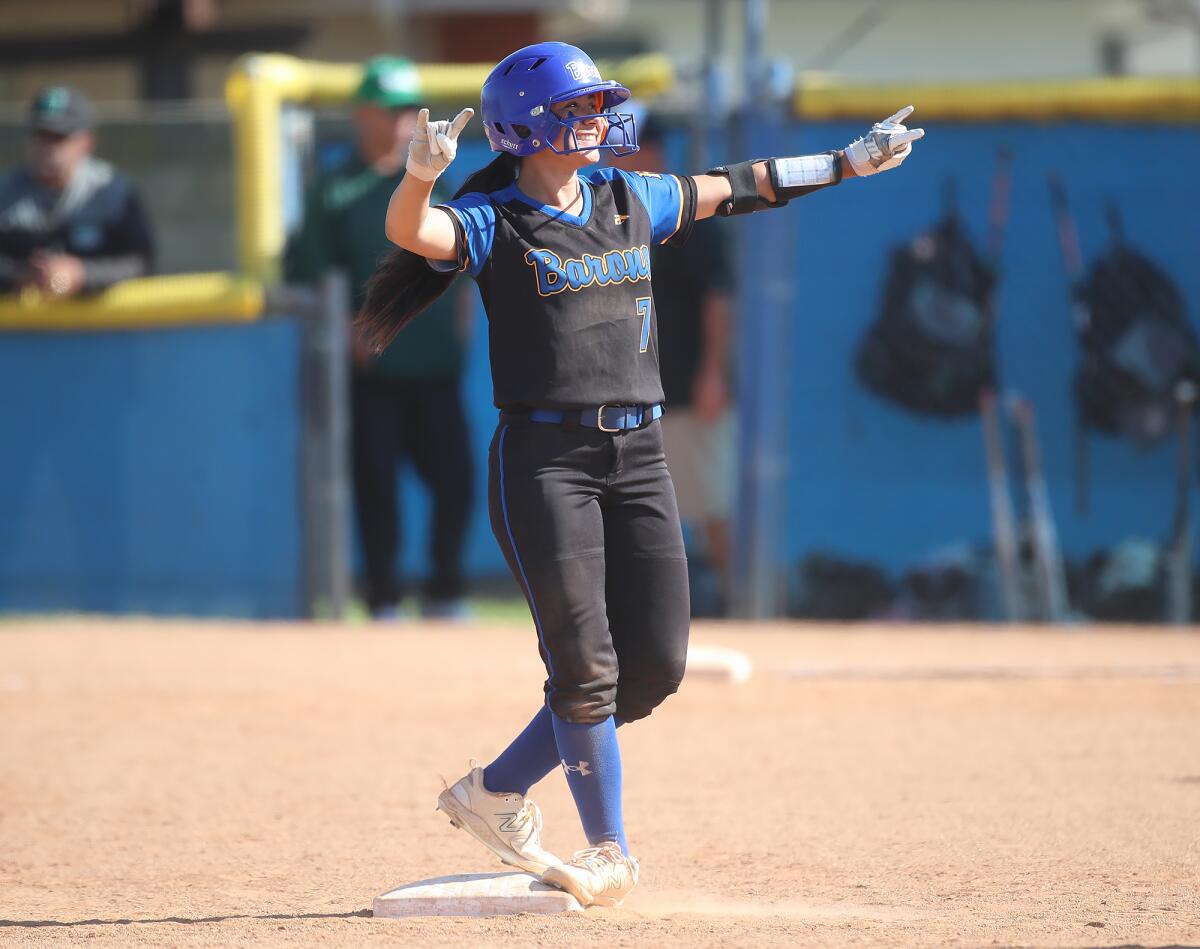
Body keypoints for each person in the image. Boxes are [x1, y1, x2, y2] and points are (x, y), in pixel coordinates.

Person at [358, 41, 923, 908]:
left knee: (653, 666)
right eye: (575, 109)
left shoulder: (631, 197)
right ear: (527, 127)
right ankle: (610, 848)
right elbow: (412, 234)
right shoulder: (495, 220)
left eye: (596, 105)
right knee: (585, 666)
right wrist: (420, 176)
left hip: (641, 454)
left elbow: (742, 185)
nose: (595, 119)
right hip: (547, 462)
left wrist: (848, 161)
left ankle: (495, 790)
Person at [286, 56, 473, 620]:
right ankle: (384, 597)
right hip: (373, 371)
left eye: (406, 110)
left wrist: (459, 331)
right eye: (387, 109)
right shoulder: (335, 190)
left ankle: (444, 592)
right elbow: (316, 275)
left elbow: (464, 261)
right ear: (360, 113)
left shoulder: (438, 181)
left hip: (435, 365)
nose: (398, 121)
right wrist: (348, 336)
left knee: (457, 481)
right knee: (376, 487)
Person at [610, 114, 736, 612]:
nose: (623, 155)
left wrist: (713, 373)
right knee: (631, 506)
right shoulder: (602, 213)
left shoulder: (683, 211)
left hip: (684, 383)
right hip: (622, 390)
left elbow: (718, 299)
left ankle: (738, 602)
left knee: (709, 501)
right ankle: (645, 610)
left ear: (657, 150)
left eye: (635, 145)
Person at [0, 86, 154, 297]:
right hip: (20, 327)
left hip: (98, 326)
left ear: (86, 142)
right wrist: (20, 275)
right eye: (41, 135)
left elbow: (141, 262)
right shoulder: (6, 193)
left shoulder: (113, 192)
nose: (48, 147)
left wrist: (82, 274)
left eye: (59, 136)